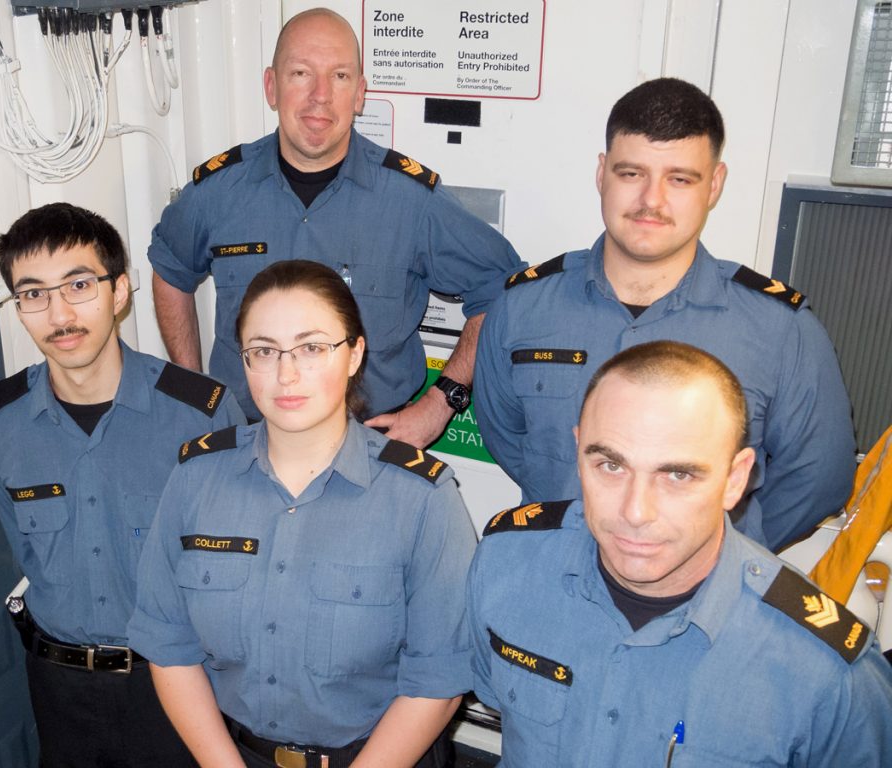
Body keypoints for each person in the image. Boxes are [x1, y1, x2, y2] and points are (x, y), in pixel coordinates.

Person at [468, 340, 892, 767]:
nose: (635, 512)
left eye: (677, 474)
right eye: (611, 466)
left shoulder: (827, 670)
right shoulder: (506, 568)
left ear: (735, 479)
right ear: (578, 454)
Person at [474, 77, 854, 552]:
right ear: (601, 174)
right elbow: (508, 439)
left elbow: (819, 478)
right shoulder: (522, 308)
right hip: (553, 582)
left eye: (679, 179)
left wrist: (718, 556)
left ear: (714, 185)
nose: (651, 201)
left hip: (703, 611)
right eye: (631, 173)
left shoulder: (780, 329)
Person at [127, 260, 476, 767]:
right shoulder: (196, 478)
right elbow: (168, 643)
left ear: (355, 354)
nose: (286, 374)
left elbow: (438, 681)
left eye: (312, 348)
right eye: (264, 351)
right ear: (244, 361)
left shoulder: (421, 497)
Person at [148, 7, 521, 447]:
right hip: (245, 444)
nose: (320, 95)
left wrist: (442, 402)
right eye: (301, 73)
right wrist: (197, 393)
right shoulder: (217, 193)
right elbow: (171, 268)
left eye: (340, 77)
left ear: (359, 95)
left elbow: (505, 287)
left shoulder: (411, 202)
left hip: (370, 445)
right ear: (271, 87)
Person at [0, 203, 244, 767]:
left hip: (174, 685)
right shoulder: (1, 424)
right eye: (33, 294)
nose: (58, 313)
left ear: (120, 292)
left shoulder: (200, 416)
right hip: (58, 686)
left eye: (78, 285)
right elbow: (23, 549)